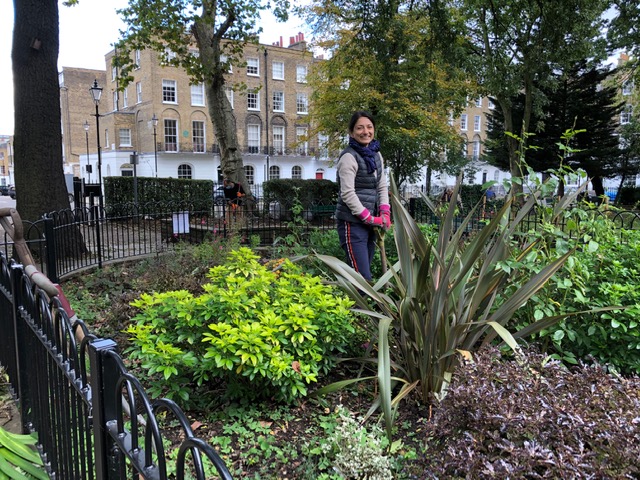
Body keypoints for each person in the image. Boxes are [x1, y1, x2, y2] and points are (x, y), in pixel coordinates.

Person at [335, 111, 390, 281]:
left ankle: (362, 306)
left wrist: (385, 213)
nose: (365, 131)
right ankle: (358, 307)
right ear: (351, 132)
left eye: (369, 127)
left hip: (371, 224)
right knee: (361, 278)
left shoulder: (376, 154)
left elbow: (381, 185)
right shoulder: (349, 157)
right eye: (360, 128)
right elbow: (348, 193)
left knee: (364, 275)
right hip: (353, 224)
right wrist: (369, 218)